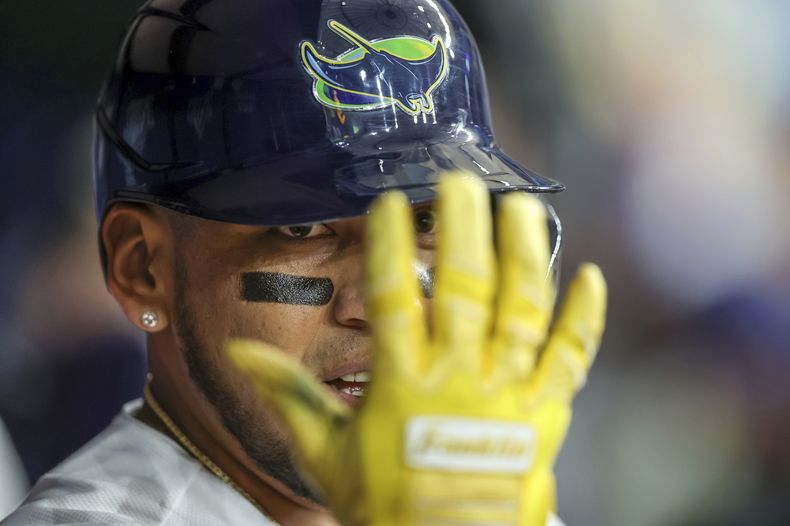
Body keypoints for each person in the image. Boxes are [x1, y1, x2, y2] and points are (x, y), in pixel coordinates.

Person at [2, 1, 604, 524]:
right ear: (142, 269)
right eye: (303, 228)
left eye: (426, 223)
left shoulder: (485, 504)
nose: (381, 305)